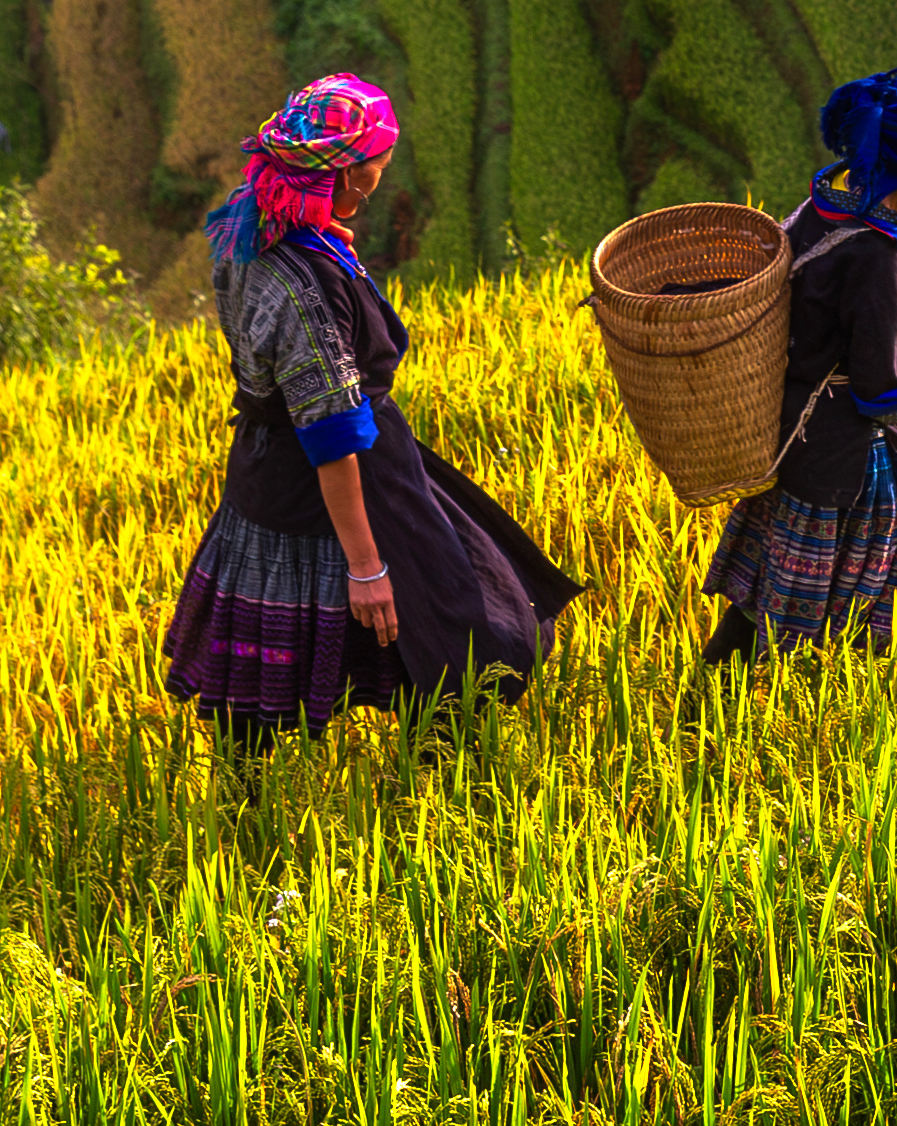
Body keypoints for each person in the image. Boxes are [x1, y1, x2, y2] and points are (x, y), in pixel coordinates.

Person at [159, 72, 583, 738]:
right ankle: (432, 784)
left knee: (270, 685)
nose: (385, 174)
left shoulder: (251, 223)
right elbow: (330, 432)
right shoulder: (305, 286)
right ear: (350, 177)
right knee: (464, 642)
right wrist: (366, 566)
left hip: (265, 468)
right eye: (379, 164)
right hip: (336, 473)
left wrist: (327, 242)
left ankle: (253, 798)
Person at [702, 68, 897, 663]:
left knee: (772, 592)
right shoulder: (877, 255)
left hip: (792, 431)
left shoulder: (820, 209)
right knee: (886, 604)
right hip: (846, 457)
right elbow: (879, 382)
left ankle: (716, 687)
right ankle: (865, 707)